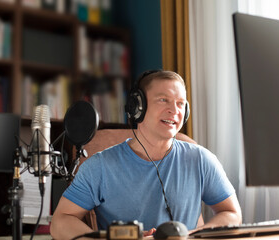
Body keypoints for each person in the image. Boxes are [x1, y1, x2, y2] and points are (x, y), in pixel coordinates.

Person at [50, 70, 242, 239]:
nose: (174, 110)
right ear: (137, 107)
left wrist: (193, 236)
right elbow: (61, 222)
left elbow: (231, 213)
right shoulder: (99, 166)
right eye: (163, 100)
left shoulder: (201, 160)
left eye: (181, 104)